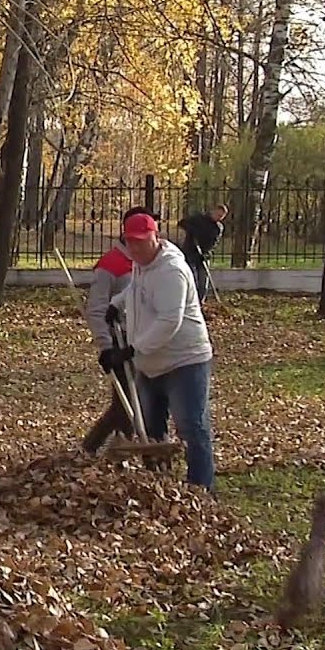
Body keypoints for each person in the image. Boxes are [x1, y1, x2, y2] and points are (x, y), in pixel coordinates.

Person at [100, 211, 216, 490]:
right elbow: (137, 291)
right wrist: (117, 303)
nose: (136, 248)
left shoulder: (171, 271)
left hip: (184, 361)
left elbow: (168, 321)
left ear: (156, 237)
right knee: (151, 429)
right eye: (131, 243)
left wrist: (130, 350)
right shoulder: (142, 264)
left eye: (142, 241)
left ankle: (200, 491)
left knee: (191, 429)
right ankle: (159, 486)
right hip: (150, 363)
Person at [80, 206, 150, 455]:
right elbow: (96, 309)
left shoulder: (147, 263)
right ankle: (90, 451)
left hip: (145, 344)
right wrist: (106, 346)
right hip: (120, 344)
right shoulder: (110, 265)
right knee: (124, 406)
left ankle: (115, 455)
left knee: (135, 405)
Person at [177, 204, 227, 302]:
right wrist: (191, 229)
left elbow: (214, 243)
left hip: (203, 255)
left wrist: (206, 253)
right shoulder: (198, 219)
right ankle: (191, 301)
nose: (219, 218)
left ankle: (201, 301)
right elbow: (182, 223)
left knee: (203, 280)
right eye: (218, 215)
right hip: (190, 252)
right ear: (213, 211)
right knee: (192, 278)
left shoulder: (218, 228)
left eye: (221, 217)